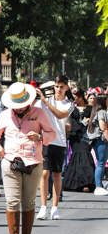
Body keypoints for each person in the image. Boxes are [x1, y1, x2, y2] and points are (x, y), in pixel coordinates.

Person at [0, 82, 56, 234]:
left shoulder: (39, 113)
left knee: (28, 202)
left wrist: (40, 137)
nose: (18, 109)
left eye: (21, 106)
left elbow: (52, 133)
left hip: (32, 162)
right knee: (12, 201)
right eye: (15, 107)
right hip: (10, 161)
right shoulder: (5, 115)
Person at [36, 75, 73, 220]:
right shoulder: (44, 101)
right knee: (44, 173)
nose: (58, 89)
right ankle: (43, 207)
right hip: (45, 140)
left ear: (66, 88)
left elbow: (60, 115)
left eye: (61, 87)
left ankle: (55, 207)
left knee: (57, 174)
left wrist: (45, 102)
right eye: (56, 86)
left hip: (60, 142)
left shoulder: (69, 104)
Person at [62, 90, 96, 192]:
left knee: (85, 154)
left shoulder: (90, 108)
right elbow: (70, 122)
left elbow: (95, 120)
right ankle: (80, 183)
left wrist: (89, 122)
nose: (74, 99)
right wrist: (82, 123)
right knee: (77, 155)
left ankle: (87, 182)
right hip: (75, 136)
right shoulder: (71, 108)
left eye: (75, 97)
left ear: (81, 97)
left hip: (87, 136)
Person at [89, 92, 108, 195]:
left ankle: (99, 185)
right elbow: (103, 127)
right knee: (101, 163)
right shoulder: (102, 112)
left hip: (96, 140)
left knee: (100, 163)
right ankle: (98, 186)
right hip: (101, 140)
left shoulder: (95, 111)